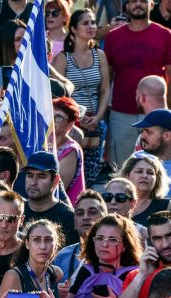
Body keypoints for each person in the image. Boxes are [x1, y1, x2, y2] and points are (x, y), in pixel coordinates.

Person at [104, 0, 171, 163]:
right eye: (133, 1)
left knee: (157, 164)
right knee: (123, 166)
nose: (138, 4)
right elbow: (107, 77)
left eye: (143, 1)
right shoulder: (113, 37)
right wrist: (105, 109)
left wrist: (168, 108)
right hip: (121, 112)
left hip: (155, 113)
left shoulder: (165, 35)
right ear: (127, 6)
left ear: (152, 4)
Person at [52, 9, 109, 185]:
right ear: (74, 29)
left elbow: (105, 90)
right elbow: (59, 93)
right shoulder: (63, 58)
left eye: (93, 22)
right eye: (86, 23)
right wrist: (77, 117)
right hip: (71, 122)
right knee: (69, 171)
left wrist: (98, 117)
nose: (91, 26)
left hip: (94, 121)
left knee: (90, 174)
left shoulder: (99, 55)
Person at [23, 151, 78, 246]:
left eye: (41, 176)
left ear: (55, 180)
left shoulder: (69, 218)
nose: (33, 182)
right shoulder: (16, 211)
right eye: (30, 175)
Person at [119, 154, 171, 226]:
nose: (145, 176)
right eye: (139, 171)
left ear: (157, 179)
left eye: (150, 173)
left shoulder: (166, 206)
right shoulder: (113, 201)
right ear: (127, 176)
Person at [53, 97, 86, 201]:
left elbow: (56, 189)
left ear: (70, 123)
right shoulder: (42, 143)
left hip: (63, 208)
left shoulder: (71, 150)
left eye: (58, 117)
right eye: (50, 114)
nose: (52, 120)